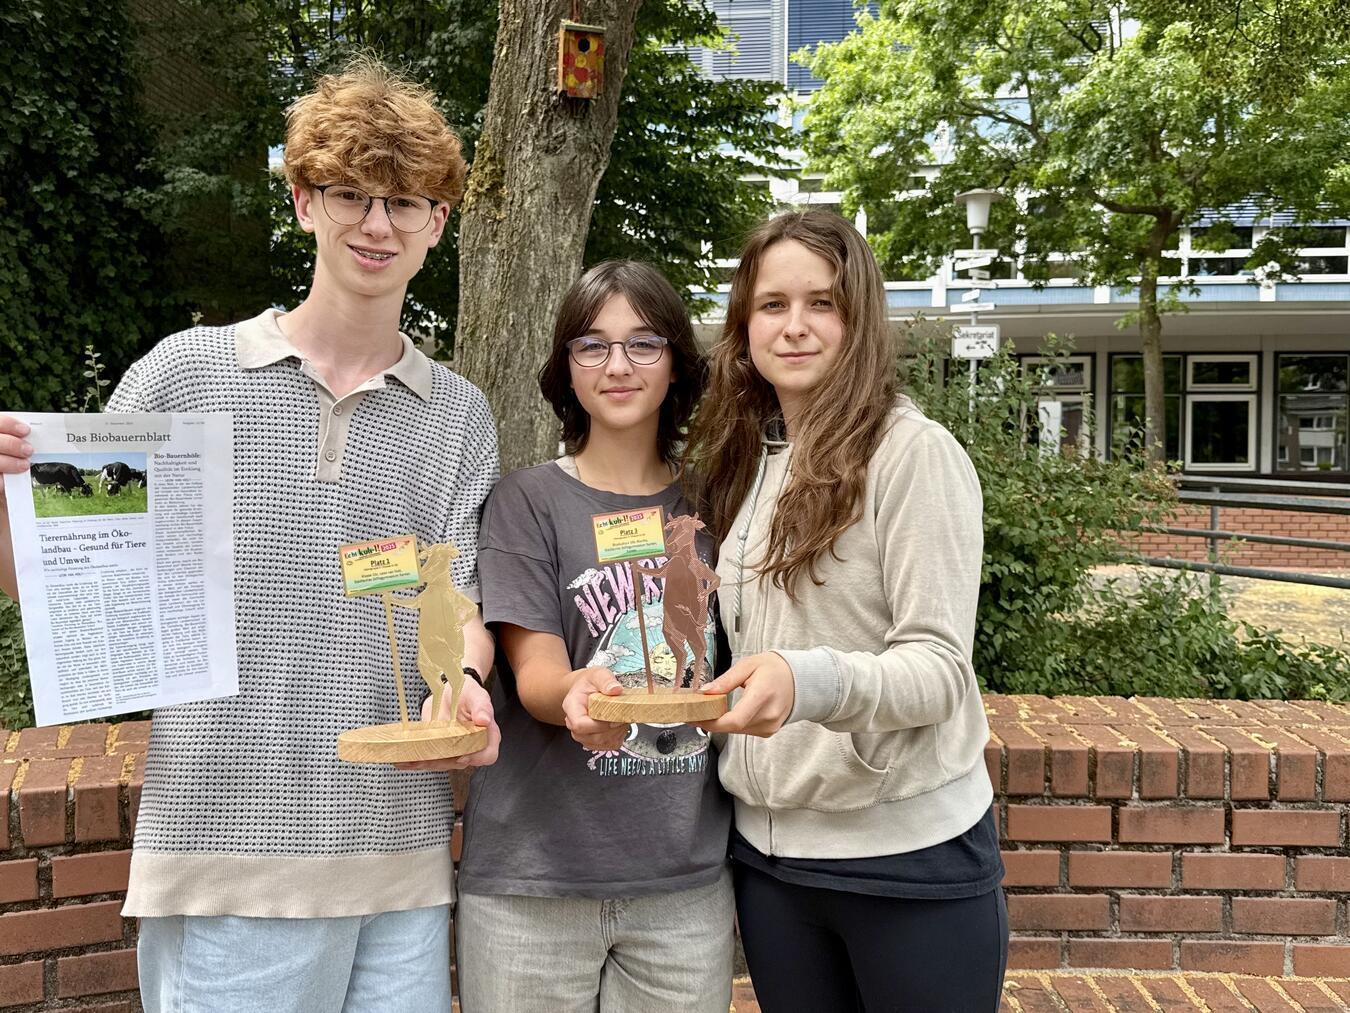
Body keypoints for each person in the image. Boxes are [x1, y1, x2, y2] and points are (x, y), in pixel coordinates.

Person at [0, 58, 500, 1013]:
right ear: (305, 200)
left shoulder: (459, 415)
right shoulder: (184, 377)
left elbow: (460, 599)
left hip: (400, 857)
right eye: (352, 193)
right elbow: (59, 588)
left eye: (406, 201)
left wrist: (469, 688)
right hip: (233, 851)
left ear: (439, 223)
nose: (378, 224)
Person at [686, 209, 1008, 1011]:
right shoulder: (751, 460)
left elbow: (938, 670)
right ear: (744, 323)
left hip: (905, 860)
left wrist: (805, 682)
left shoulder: (912, 453)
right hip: (769, 863)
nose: (795, 326)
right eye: (772, 305)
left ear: (858, 317)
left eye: (822, 303)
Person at [454, 261, 734, 1013]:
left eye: (644, 343)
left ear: (676, 361)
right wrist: (579, 689)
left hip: (685, 884)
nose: (617, 365)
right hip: (532, 882)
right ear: (565, 367)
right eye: (592, 345)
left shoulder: (718, 502)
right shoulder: (526, 501)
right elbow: (535, 667)